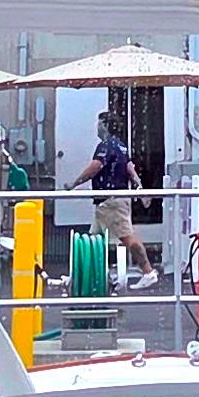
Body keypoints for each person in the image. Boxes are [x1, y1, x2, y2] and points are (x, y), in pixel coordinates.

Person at [70, 121, 149, 287]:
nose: (96, 127)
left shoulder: (105, 146)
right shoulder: (121, 146)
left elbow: (95, 167)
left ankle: (148, 271)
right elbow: (130, 168)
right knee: (93, 239)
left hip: (110, 200)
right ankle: (82, 277)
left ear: (106, 125)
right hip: (111, 200)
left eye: (99, 123)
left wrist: (74, 183)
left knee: (127, 237)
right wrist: (139, 187)